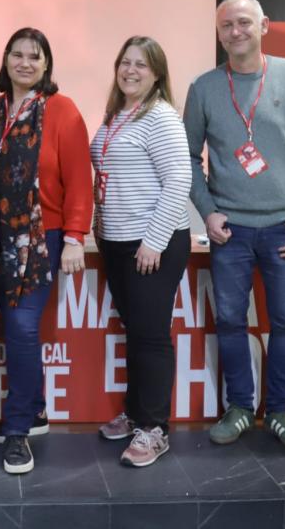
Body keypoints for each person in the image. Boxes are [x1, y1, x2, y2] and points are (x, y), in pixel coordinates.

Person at [183, 0, 285, 453]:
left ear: (264, 25)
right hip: (231, 231)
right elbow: (187, 158)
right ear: (218, 32)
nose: (236, 32)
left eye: (244, 22)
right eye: (227, 25)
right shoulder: (205, 87)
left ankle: (280, 411)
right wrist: (208, 211)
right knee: (229, 321)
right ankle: (241, 407)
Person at [0, 27, 93, 474]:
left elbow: (79, 181)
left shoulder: (61, 110)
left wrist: (73, 237)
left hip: (43, 236)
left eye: (35, 56)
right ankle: (37, 408)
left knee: (23, 328)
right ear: (5, 60)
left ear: (47, 65)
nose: (25, 63)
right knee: (16, 325)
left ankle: (18, 430)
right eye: (18, 54)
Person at [92, 36, 192, 468]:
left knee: (150, 336)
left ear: (157, 75)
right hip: (116, 242)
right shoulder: (117, 115)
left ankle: (154, 429)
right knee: (136, 330)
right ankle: (135, 414)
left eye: (141, 65)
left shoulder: (162, 117)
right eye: (125, 62)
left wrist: (154, 239)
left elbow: (178, 181)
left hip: (153, 243)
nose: (131, 70)